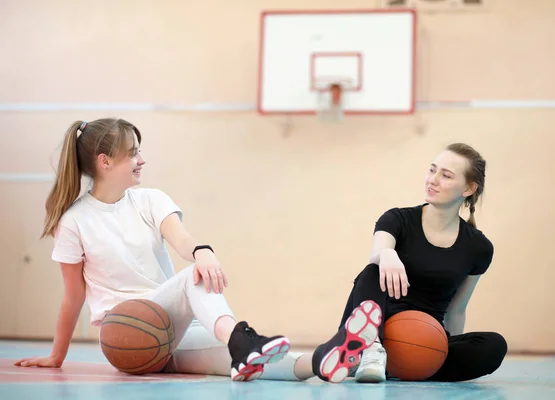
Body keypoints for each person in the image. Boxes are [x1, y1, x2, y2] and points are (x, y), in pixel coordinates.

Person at [12, 118, 338, 382]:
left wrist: (202, 251)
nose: (142, 160)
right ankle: (240, 338)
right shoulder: (73, 222)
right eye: (133, 153)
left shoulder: (150, 200)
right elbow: (73, 297)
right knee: (192, 279)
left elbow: (181, 238)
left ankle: (322, 361)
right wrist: (57, 355)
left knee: (248, 363)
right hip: (128, 333)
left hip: (172, 331)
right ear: (105, 161)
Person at [312, 143, 508, 383]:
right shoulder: (397, 219)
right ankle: (368, 351)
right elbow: (378, 251)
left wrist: (446, 349)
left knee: (494, 345)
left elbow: (457, 310)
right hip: (376, 329)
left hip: (424, 339)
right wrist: (387, 254)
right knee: (373, 270)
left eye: (445, 175)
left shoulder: (478, 247)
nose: (432, 180)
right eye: (432, 170)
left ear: (469, 188)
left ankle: (404, 365)